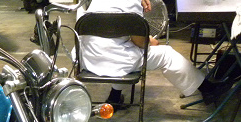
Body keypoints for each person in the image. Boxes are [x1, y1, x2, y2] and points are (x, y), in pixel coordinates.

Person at [78, 0, 231, 108]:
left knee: (121, 49)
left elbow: (113, 29)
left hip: (88, 57)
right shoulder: (132, 3)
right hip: (114, 59)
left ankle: (114, 98)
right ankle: (208, 89)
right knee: (166, 54)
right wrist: (149, 41)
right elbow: (139, 42)